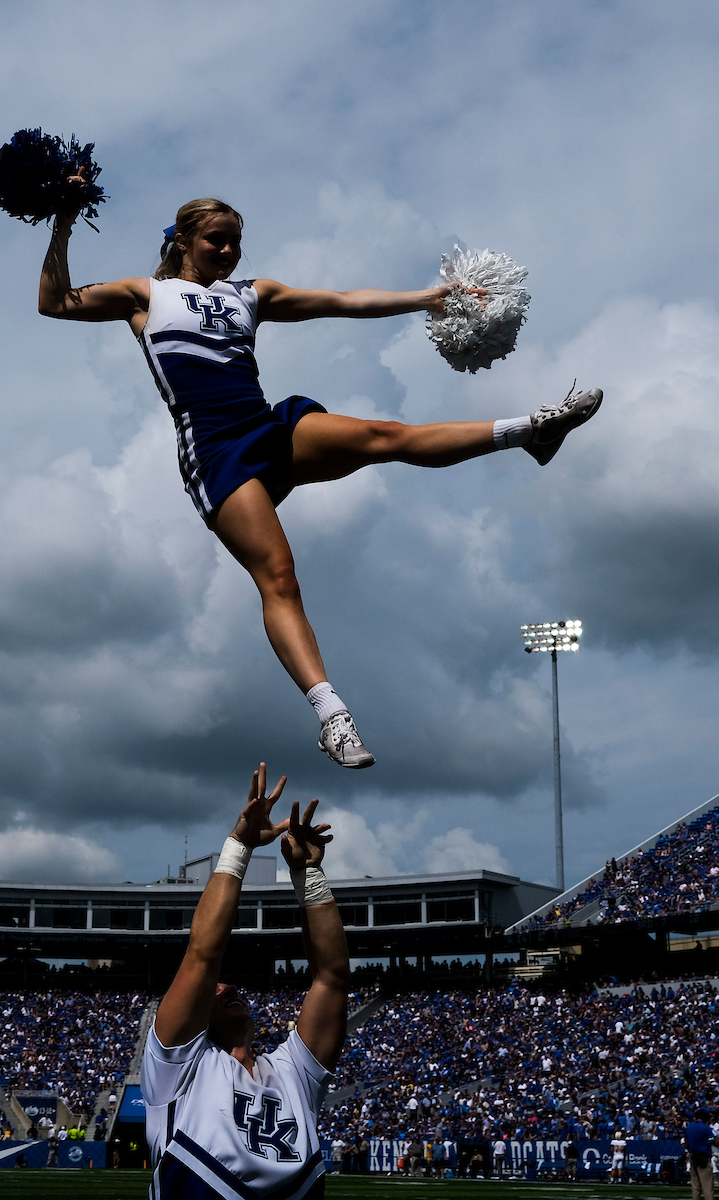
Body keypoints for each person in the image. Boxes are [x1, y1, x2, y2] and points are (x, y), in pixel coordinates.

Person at [39, 197, 603, 769]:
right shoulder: (144, 296)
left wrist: (430, 298)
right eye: (218, 241)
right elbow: (54, 302)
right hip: (214, 452)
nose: (231, 252)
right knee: (278, 576)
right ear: (182, 240)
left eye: (237, 241)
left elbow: (343, 301)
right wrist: (63, 221)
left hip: (266, 425)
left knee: (386, 435)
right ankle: (332, 716)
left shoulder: (251, 295)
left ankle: (530, 433)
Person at [141, 763, 348, 1200]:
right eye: (216, 989)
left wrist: (309, 876)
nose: (227, 986)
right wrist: (239, 846)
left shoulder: (295, 1074)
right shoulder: (177, 1069)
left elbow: (330, 979)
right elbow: (203, 954)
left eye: (228, 985)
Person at [685, 1110, 719, 1200]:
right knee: (707, 1186)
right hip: (704, 1157)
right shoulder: (705, 1128)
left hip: (693, 1156)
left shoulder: (689, 1127)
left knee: (695, 1186)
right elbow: (713, 1141)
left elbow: (686, 1143)